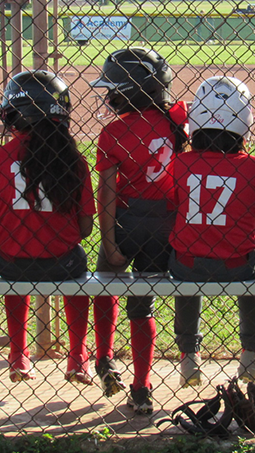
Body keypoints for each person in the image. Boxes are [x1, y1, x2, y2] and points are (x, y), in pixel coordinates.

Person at [90, 47, 188, 414]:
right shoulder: (177, 123)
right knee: (142, 303)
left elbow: (108, 192)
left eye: (114, 89)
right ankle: (142, 386)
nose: (109, 96)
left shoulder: (113, 131)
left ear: (132, 91)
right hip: (165, 224)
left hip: (126, 221)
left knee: (106, 282)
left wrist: (110, 240)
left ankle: (104, 358)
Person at [0, 70, 96, 383]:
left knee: (11, 258)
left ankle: (18, 353)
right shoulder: (75, 160)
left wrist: (14, 234)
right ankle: (78, 356)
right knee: (79, 262)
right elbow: (85, 228)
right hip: (64, 263)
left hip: (12, 263)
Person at [166, 77, 255, 389]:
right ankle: (251, 353)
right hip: (237, 265)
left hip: (188, 262)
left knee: (185, 275)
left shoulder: (180, 163)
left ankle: (188, 355)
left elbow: (174, 208)